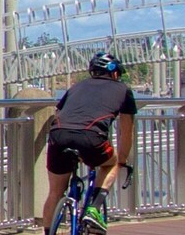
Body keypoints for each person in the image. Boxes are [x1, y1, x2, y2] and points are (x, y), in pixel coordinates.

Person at [40, 52, 137, 234]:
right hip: (91, 138)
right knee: (112, 163)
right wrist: (123, 159)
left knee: (55, 192)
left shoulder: (77, 87)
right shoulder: (123, 90)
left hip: (58, 136)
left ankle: (48, 232)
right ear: (115, 73)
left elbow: (59, 113)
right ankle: (94, 209)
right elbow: (126, 131)